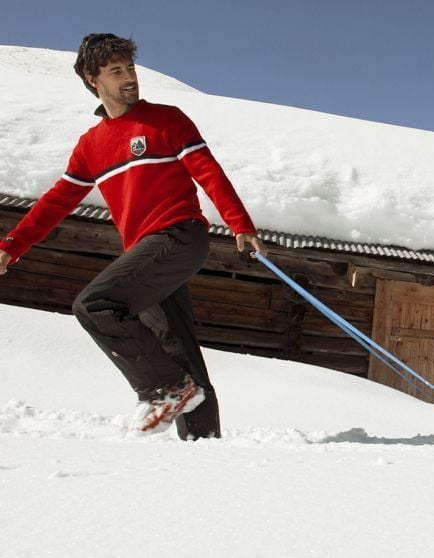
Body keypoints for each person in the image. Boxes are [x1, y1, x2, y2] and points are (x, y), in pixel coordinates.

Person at [0, 33, 266, 440]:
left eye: (130, 68)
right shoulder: (91, 146)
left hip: (178, 234)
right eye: (116, 71)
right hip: (148, 250)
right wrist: (11, 246)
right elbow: (57, 202)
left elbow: (207, 171)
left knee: (95, 304)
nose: (129, 78)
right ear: (93, 79)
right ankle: (204, 446)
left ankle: (163, 389)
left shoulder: (166, 119)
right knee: (177, 347)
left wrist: (240, 224)